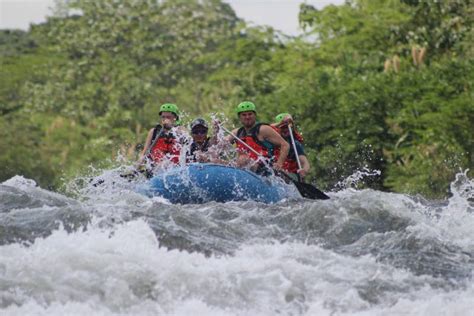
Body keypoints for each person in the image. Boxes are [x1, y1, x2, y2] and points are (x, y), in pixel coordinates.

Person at [224, 101, 289, 173]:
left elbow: (285, 145)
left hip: (263, 169)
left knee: (243, 158)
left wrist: (279, 164)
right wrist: (216, 131)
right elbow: (220, 145)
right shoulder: (237, 132)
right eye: (244, 115)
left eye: (250, 114)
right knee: (214, 159)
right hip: (242, 168)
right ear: (240, 117)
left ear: (255, 115)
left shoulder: (263, 129)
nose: (247, 117)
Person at [138, 103, 187, 168]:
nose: (165, 119)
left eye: (168, 117)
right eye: (163, 117)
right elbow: (144, 153)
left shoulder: (180, 130)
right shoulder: (154, 132)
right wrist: (135, 168)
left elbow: (188, 140)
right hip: (156, 170)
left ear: (175, 118)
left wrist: (170, 126)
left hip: (175, 170)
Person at [272, 113, 310, 179]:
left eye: (287, 127)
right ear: (277, 128)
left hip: (291, 175)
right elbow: (265, 127)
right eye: (282, 127)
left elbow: (305, 163)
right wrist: (280, 122)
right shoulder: (271, 139)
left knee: (281, 173)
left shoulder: (294, 144)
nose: (285, 129)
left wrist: (304, 170)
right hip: (275, 172)